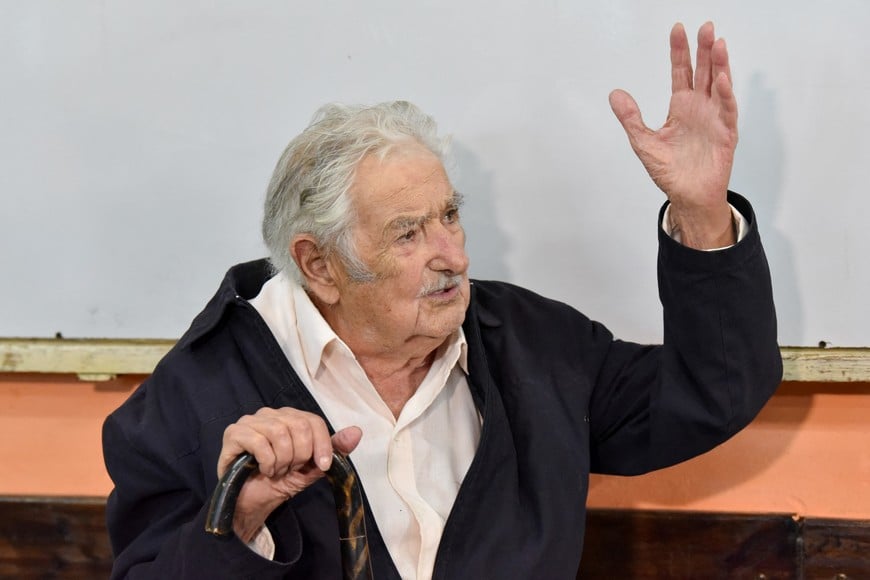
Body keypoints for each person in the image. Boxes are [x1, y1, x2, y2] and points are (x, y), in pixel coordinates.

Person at [103, 21, 782, 579]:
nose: (453, 256)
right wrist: (239, 521)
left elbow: (711, 390)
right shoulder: (197, 395)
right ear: (320, 264)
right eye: (408, 234)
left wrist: (701, 212)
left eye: (449, 217)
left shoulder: (533, 344)